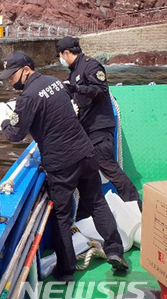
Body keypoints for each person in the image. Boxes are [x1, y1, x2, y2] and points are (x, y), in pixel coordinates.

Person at [0, 51, 128, 282]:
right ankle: (114, 250)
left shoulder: (27, 98)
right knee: (96, 202)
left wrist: (3, 119)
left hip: (61, 163)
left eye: (12, 76)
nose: (10, 81)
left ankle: (66, 269)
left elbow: (15, 134)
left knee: (62, 217)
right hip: (85, 152)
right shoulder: (53, 82)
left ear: (25, 70)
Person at [56, 36, 141, 208]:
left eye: (61, 56)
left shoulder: (91, 65)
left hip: (99, 127)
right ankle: (87, 211)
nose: (61, 60)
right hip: (87, 129)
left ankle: (136, 205)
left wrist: (78, 88)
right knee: (87, 169)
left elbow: (101, 91)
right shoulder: (74, 72)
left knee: (107, 165)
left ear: (66, 53)